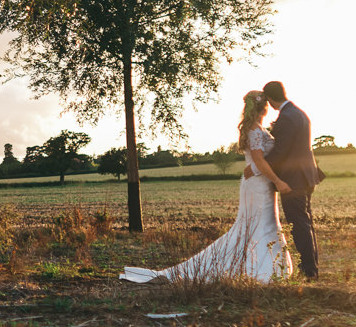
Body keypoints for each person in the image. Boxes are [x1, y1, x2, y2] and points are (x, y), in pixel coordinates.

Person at [120, 91, 294, 283]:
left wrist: (259, 170)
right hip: (258, 185)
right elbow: (259, 160)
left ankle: (266, 265)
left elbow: (257, 162)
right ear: (264, 107)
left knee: (259, 224)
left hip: (258, 182)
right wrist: (277, 181)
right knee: (260, 224)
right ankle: (265, 269)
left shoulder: (256, 128)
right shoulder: (254, 129)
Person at [259, 80, 324, 279]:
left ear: (270, 99)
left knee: (299, 223)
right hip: (307, 175)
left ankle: (309, 270)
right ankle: (311, 266)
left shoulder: (286, 117)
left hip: (293, 180)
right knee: (306, 222)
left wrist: (260, 166)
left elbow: (281, 152)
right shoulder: (299, 113)